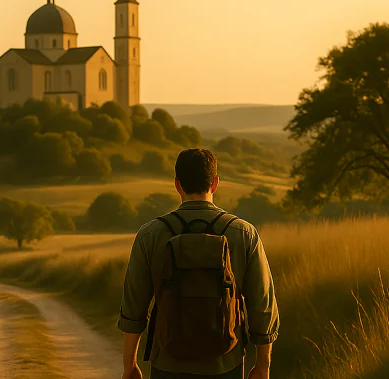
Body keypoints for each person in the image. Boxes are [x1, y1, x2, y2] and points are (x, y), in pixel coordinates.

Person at [118, 148, 280, 379]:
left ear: (177, 184)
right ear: (214, 183)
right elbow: (262, 305)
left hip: (167, 361)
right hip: (226, 361)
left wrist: (130, 365)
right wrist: (263, 365)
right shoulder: (243, 234)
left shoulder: (150, 234)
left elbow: (133, 305)